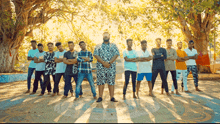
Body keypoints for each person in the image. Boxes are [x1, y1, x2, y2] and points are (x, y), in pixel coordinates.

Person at [93, 31, 120, 102]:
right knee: (100, 82)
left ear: (109, 36)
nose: (105, 36)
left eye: (107, 35)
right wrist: (103, 63)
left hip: (111, 67)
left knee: (111, 82)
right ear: (102, 36)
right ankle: (100, 97)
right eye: (104, 35)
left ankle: (112, 97)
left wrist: (109, 62)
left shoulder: (113, 45)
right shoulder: (98, 46)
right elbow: (96, 55)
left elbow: (116, 54)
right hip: (100, 67)